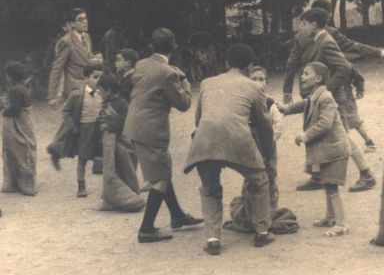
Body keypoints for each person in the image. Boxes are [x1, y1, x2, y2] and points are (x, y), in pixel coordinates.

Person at [184, 44, 275, 255]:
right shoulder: (254, 87)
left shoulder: (207, 83)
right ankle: (262, 231)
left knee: (209, 187)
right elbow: (264, 125)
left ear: (226, 62)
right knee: (260, 180)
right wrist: (267, 153)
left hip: (205, 140)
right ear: (250, 66)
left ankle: (212, 238)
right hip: (237, 139)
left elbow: (198, 119)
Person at [123, 28, 203, 243]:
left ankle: (177, 216)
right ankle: (146, 229)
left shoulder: (141, 64)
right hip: (152, 131)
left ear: (151, 47)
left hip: (135, 126)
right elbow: (184, 104)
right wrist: (184, 81)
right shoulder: (168, 73)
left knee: (163, 172)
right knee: (160, 179)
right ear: (174, 47)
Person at [283, 8, 375, 192]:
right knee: (318, 133)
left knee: (343, 135)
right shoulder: (318, 40)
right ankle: (317, 177)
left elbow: (343, 67)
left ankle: (367, 175)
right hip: (324, 96)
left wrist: (326, 89)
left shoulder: (325, 41)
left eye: (305, 24)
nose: (303, 28)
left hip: (333, 97)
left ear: (314, 25)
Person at [280, 62, 350, 237]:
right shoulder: (315, 95)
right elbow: (305, 103)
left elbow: (325, 124)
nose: (302, 77)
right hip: (329, 150)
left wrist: (305, 135)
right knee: (327, 183)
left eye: (306, 73)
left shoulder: (326, 97)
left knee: (332, 186)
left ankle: (341, 224)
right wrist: (286, 108)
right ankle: (330, 217)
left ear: (318, 78)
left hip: (335, 150)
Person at [48, 62, 103, 197]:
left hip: (99, 129)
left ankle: (108, 187)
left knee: (102, 156)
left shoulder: (103, 94)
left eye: (100, 77)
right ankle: (81, 186)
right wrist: (72, 126)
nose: (98, 80)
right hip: (84, 129)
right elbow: (66, 111)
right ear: (86, 78)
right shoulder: (76, 95)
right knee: (83, 158)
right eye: (95, 77)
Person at [96, 74, 145, 212]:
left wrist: (108, 126)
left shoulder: (122, 104)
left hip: (123, 143)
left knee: (126, 169)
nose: (99, 93)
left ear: (109, 91)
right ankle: (112, 199)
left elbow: (125, 121)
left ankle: (132, 196)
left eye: (101, 90)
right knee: (113, 168)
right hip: (112, 143)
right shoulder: (108, 103)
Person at [1, 62, 37, 196]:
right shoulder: (22, 88)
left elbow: (15, 110)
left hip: (18, 126)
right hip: (25, 125)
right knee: (22, 151)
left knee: (19, 151)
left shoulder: (16, 90)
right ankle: (19, 183)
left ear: (10, 77)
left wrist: (4, 108)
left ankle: (25, 184)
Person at [249, 65, 282, 209]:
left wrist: (271, 140)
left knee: (270, 174)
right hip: (251, 145)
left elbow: (278, 124)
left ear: (266, 83)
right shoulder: (245, 103)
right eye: (254, 79)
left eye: (261, 79)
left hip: (268, 145)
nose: (258, 82)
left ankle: (272, 206)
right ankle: (254, 208)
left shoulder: (269, 103)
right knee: (253, 177)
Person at [47, 8, 93, 106]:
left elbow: (88, 60)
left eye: (85, 19)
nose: (85, 22)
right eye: (80, 20)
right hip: (74, 89)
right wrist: (52, 96)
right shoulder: (66, 42)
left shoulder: (86, 37)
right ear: (72, 24)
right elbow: (57, 69)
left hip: (88, 86)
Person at [344, 67, 376, 153]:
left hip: (347, 99)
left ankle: (369, 142)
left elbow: (358, 79)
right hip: (334, 99)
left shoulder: (345, 64)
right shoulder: (324, 63)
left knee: (355, 122)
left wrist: (360, 90)